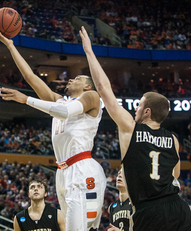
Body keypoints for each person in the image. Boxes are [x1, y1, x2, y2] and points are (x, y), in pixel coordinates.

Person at [0, 27, 106, 231]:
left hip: (82, 169)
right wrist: (10, 45)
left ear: (88, 86)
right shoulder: (60, 100)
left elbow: (64, 112)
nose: (71, 79)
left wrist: (26, 99)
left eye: (77, 79)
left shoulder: (92, 97)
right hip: (63, 171)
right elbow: (30, 77)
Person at [79, 26, 191, 231]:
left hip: (149, 212)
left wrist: (89, 51)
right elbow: (175, 177)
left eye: (139, 105)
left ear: (147, 111)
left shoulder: (130, 128)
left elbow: (104, 89)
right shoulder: (174, 139)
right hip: (179, 208)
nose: (135, 108)